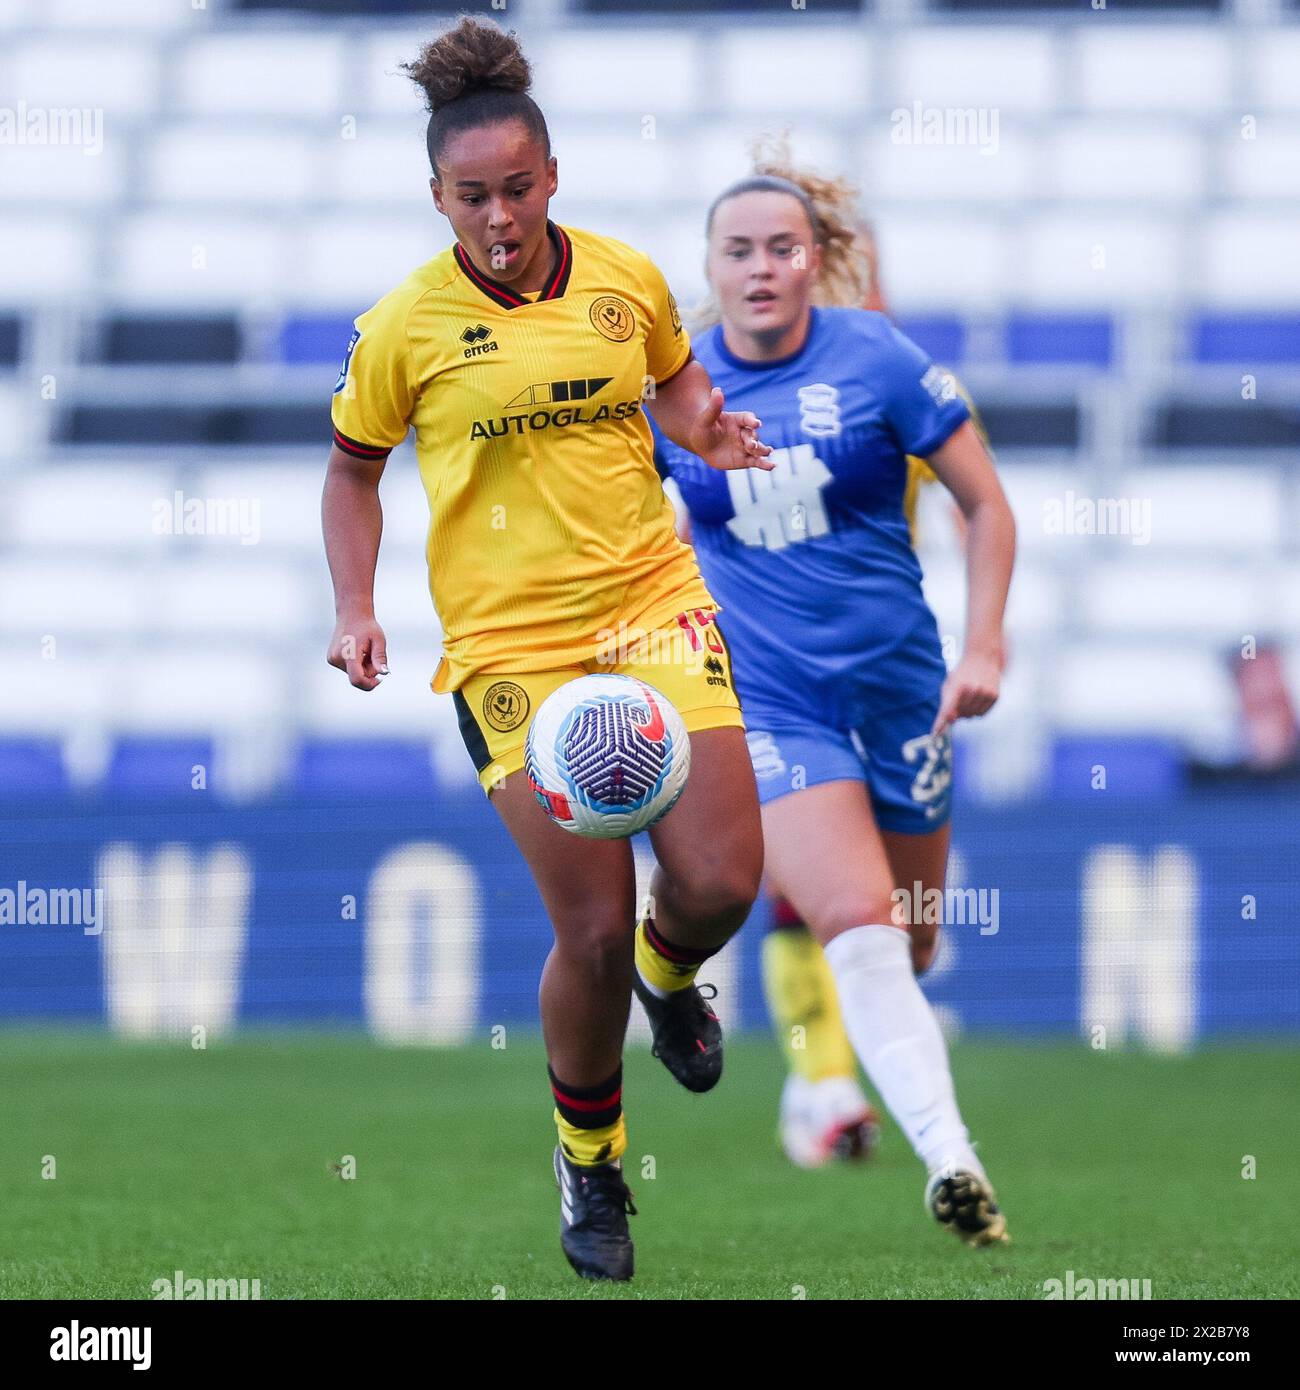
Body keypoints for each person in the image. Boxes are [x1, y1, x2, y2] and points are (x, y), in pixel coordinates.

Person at [321, 16, 773, 1282]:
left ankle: (669, 975)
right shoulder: (402, 327)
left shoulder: (622, 279)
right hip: (513, 651)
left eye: (519, 188)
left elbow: (673, 384)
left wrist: (710, 433)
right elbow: (350, 479)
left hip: (652, 604)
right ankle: (591, 1163)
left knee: (724, 879)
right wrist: (355, 607)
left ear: (553, 176)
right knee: (583, 924)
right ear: (437, 196)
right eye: (473, 196)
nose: (500, 216)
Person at [654, 154, 1017, 1246]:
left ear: (815, 261)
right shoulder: (675, 393)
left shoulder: (880, 359)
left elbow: (985, 506)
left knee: (908, 942)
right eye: (738, 251)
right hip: (769, 703)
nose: (761, 267)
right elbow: (637, 532)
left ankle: (826, 1079)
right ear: (710, 269)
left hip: (904, 691)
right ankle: (952, 1162)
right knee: (856, 926)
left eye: (782, 247)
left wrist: (985, 643)